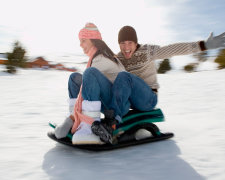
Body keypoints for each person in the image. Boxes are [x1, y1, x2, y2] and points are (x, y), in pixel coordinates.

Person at [94, 25, 225, 143]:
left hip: (148, 99)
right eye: (122, 43)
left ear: (135, 42)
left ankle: (111, 124)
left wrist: (203, 45)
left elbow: (172, 49)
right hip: (130, 101)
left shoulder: (147, 51)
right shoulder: (119, 58)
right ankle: (96, 119)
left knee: (124, 76)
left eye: (130, 42)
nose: (126, 47)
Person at [54, 23, 125, 144]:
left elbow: (85, 89)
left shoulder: (101, 58)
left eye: (83, 41)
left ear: (93, 40)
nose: (80, 44)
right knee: (74, 78)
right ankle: (76, 118)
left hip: (114, 105)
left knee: (89, 74)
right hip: (106, 98)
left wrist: (69, 121)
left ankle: (89, 125)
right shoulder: (96, 56)